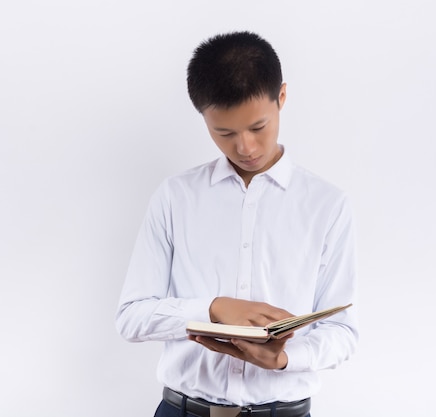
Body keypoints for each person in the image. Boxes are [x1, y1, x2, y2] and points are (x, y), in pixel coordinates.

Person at [115, 31, 359, 417]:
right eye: (224, 133)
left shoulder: (327, 204)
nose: (245, 147)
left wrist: (283, 359)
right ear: (203, 117)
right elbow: (131, 317)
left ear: (281, 97)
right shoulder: (175, 196)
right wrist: (213, 309)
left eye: (258, 127)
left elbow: (342, 333)